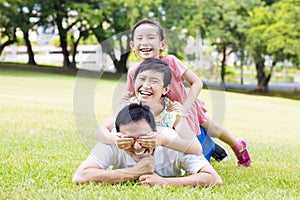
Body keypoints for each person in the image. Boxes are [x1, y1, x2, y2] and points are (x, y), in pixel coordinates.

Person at [127, 19, 251, 167]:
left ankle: (238, 146)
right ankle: (212, 146)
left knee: (212, 130)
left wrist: (185, 108)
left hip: (186, 108)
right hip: (161, 113)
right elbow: (130, 96)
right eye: (139, 38)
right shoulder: (134, 71)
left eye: (151, 37)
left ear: (162, 44)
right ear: (132, 45)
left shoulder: (171, 61)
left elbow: (197, 82)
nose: (145, 42)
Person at [73, 103, 223, 186]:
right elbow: (80, 176)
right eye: (130, 140)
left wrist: (165, 182)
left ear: (155, 131)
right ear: (118, 134)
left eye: (144, 138)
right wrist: (134, 172)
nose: (137, 147)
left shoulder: (171, 140)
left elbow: (214, 178)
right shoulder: (114, 141)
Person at [96, 58, 202, 157]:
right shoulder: (129, 106)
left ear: (165, 89)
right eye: (141, 79)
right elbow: (100, 132)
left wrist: (163, 141)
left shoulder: (171, 113)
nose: (146, 85)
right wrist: (113, 139)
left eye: (154, 81)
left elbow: (196, 148)